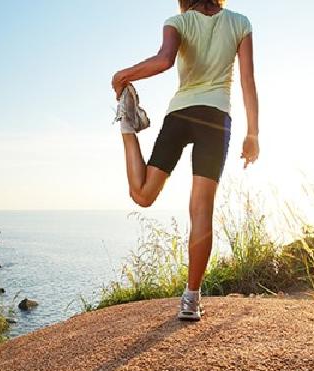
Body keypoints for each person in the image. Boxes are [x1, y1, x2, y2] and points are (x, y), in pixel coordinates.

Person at [111, 0, 259, 321]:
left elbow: (164, 61)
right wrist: (253, 134)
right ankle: (191, 300)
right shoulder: (240, 23)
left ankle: (127, 124)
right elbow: (247, 81)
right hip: (216, 117)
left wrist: (123, 75)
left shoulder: (177, 22)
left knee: (143, 194)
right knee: (202, 208)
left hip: (182, 113)